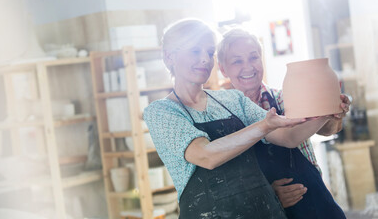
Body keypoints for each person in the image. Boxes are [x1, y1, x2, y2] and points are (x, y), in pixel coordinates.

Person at [144, 18, 336, 219]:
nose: (205, 59)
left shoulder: (232, 99)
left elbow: (288, 137)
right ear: (169, 57)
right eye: (195, 51)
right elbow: (206, 156)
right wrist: (264, 126)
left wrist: (327, 112)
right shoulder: (161, 112)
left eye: (210, 53)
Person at [217, 28, 350, 218]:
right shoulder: (220, 116)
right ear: (223, 69)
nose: (248, 67)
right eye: (237, 61)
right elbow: (226, 181)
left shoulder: (283, 99)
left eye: (253, 58)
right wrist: (266, 194)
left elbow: (328, 130)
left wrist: (334, 113)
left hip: (315, 202)